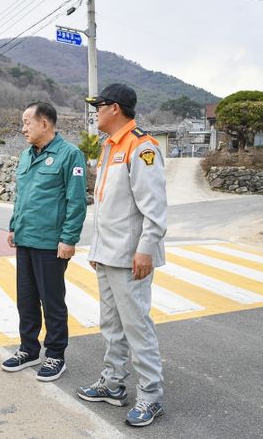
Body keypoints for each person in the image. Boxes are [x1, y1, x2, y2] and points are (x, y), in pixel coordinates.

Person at [76, 83, 167, 427]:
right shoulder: (109, 146)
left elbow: (154, 208)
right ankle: (113, 383)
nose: (94, 112)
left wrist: (145, 250)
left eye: (98, 106)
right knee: (111, 325)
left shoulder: (141, 147)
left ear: (114, 108)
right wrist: (97, 249)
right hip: (108, 254)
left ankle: (151, 395)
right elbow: (108, 207)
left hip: (131, 258)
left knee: (136, 326)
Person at [1, 102, 87, 382]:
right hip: (25, 239)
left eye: (27, 122)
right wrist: (14, 226)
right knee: (26, 299)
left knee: (52, 301)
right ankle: (28, 349)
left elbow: (76, 201)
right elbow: (22, 196)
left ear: (45, 123)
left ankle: (55, 354)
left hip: (51, 243)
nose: (23, 128)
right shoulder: (26, 156)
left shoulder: (70, 155)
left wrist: (69, 239)